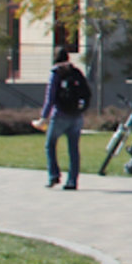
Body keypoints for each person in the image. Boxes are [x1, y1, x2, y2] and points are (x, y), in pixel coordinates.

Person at [41, 48, 90, 190]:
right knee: (73, 149)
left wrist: (44, 116)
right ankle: (72, 181)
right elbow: (86, 92)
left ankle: (53, 175)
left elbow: (50, 98)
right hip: (76, 115)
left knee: (50, 145)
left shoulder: (56, 73)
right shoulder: (75, 72)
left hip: (60, 115)